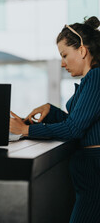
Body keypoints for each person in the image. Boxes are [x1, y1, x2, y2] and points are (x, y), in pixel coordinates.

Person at [10, 16, 100, 223]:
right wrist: (51, 111)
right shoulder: (91, 80)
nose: (62, 64)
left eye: (65, 55)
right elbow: (81, 122)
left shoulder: (95, 78)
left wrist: (26, 131)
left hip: (94, 174)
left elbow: (74, 129)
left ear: (83, 50)